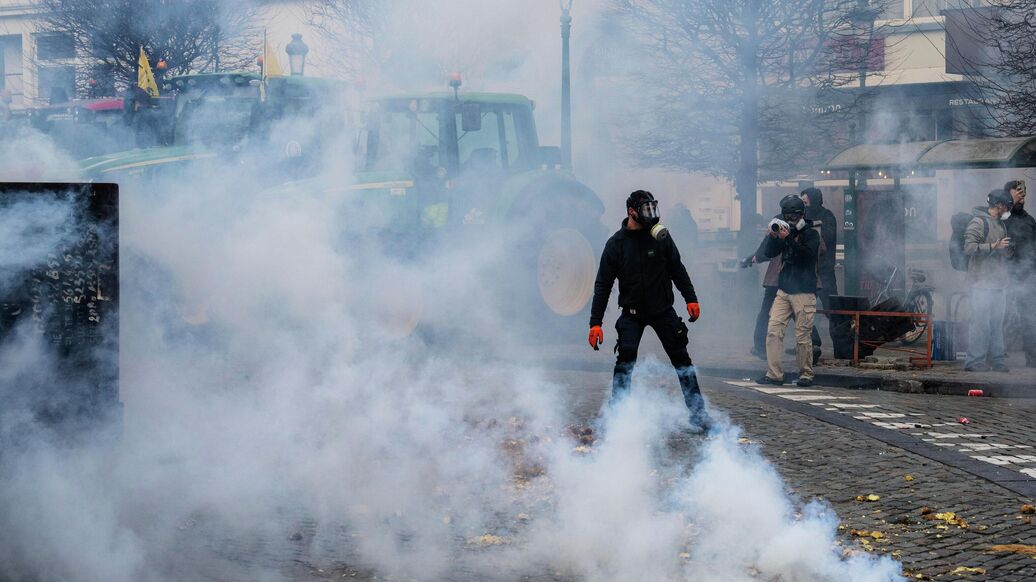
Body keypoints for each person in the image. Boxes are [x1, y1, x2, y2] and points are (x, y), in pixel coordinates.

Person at [588, 190, 710, 430]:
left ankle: (698, 415)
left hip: (663, 310)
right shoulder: (616, 244)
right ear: (632, 212)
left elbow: (677, 269)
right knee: (625, 362)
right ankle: (618, 416)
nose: (651, 215)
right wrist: (595, 322)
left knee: (682, 361)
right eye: (646, 210)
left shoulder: (661, 238)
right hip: (632, 313)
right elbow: (603, 285)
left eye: (653, 209)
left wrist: (691, 298)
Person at [757, 195, 820, 387]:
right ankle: (774, 374)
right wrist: (772, 236)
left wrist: (789, 238)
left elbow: (807, 256)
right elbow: (768, 253)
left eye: (793, 216)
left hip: (804, 292)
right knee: (773, 331)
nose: (790, 219)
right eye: (787, 215)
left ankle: (806, 374)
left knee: (802, 337)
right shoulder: (784, 233)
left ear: (801, 215)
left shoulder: (811, 234)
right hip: (784, 291)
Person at [964, 189, 1014, 372]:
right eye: (1007, 205)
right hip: (981, 284)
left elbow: (999, 251)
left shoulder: (1001, 225)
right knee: (980, 324)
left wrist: (1006, 250)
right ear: (999, 205)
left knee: (996, 324)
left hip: (998, 283)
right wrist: (994, 246)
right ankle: (974, 362)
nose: (1008, 209)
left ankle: (997, 361)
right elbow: (969, 248)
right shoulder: (978, 222)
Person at [1002, 180, 1036, 368]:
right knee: (1001, 317)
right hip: (1006, 276)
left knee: (1030, 318)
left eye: (1024, 193)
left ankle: (1033, 359)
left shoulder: (1030, 220)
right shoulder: (1002, 219)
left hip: (1028, 277)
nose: (1022, 196)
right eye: (1018, 192)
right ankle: (997, 358)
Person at [801, 187, 837, 358]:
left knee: (832, 310)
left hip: (824, 271)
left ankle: (842, 346)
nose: (803, 206)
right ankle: (812, 344)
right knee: (803, 310)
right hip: (808, 271)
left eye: (806, 202)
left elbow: (826, 239)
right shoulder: (802, 217)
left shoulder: (827, 216)